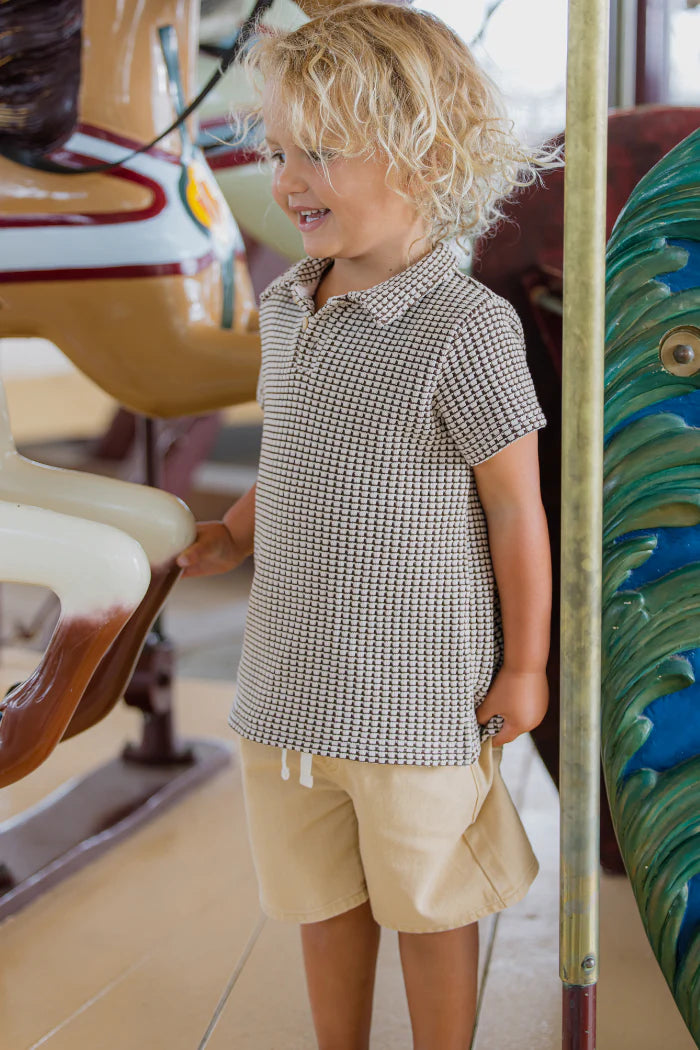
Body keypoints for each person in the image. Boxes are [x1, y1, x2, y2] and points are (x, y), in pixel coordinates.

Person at [177, 4, 553, 1047]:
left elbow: (515, 507)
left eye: (322, 152)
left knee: (431, 904)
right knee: (317, 897)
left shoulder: (464, 327)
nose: (288, 177)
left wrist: (524, 666)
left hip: (413, 694)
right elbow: (302, 455)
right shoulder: (292, 303)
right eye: (281, 149)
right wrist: (239, 533)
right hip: (289, 683)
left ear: (427, 155)